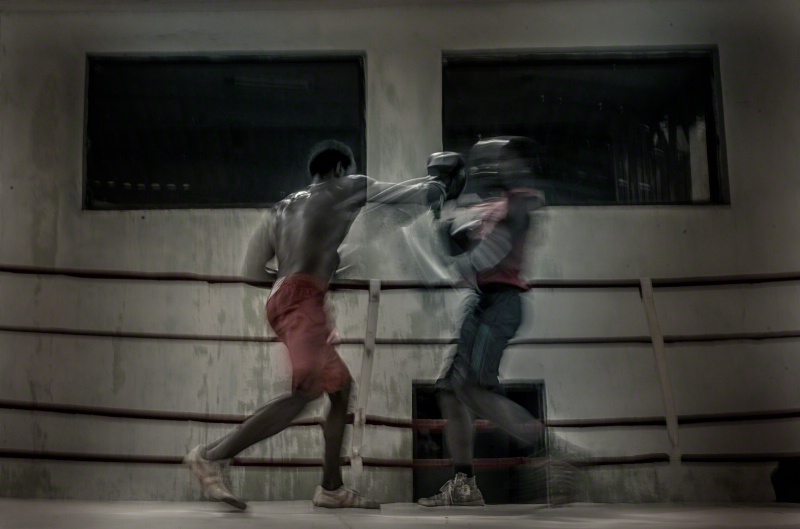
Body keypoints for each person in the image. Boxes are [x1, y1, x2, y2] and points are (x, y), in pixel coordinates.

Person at [184, 140, 463, 510]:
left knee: (341, 389)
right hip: (302, 299)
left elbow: (252, 273)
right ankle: (212, 456)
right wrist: (444, 181)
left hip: (283, 296)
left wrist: (301, 282)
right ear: (339, 169)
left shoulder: (279, 210)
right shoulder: (348, 186)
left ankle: (331, 487)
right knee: (306, 393)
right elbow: (414, 195)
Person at [418, 136, 561, 507]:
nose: (499, 164)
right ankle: (465, 484)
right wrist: (441, 207)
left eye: (507, 159)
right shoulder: (489, 207)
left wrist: (462, 263)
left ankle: (549, 451)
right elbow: (453, 247)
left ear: (523, 165)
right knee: (450, 391)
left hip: (502, 302)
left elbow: (488, 252)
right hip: (481, 302)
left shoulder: (524, 202)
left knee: (475, 388)